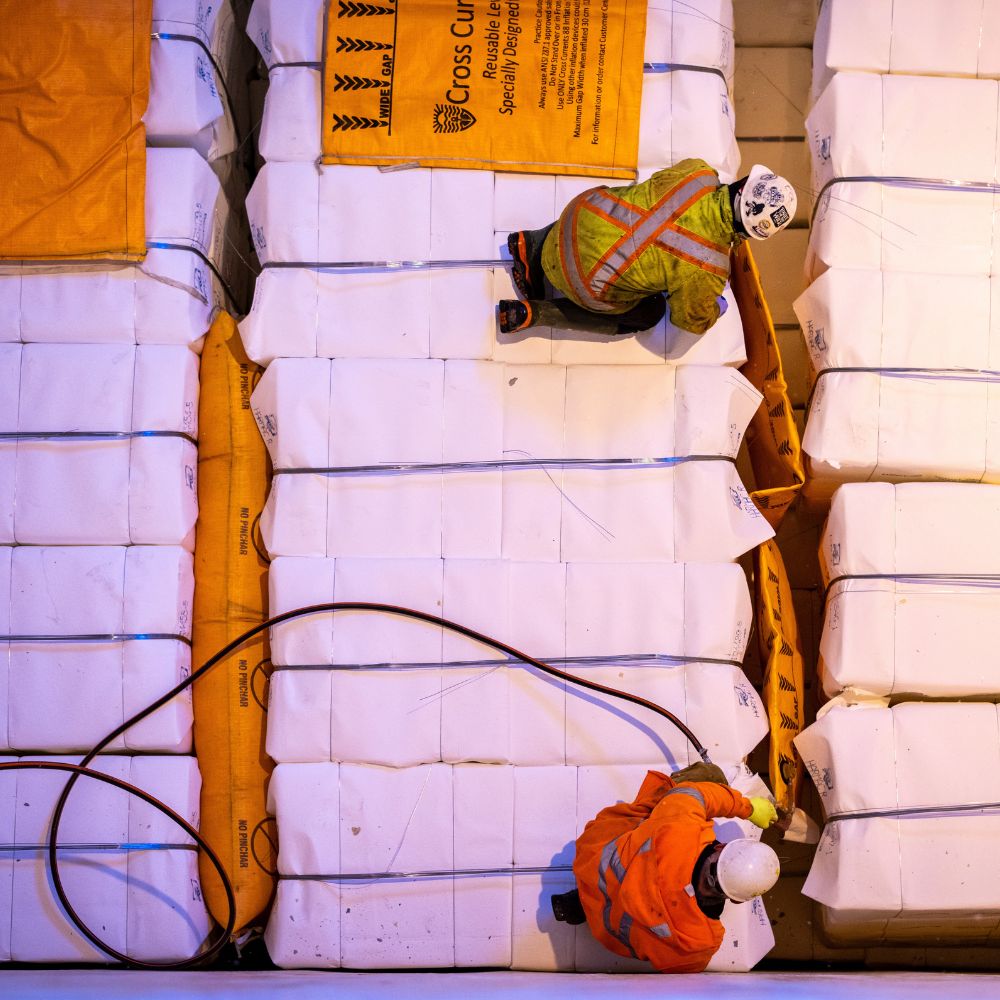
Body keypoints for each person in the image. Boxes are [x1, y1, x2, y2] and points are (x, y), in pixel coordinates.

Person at [499, 159, 796, 337]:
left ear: (744, 183)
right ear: (751, 234)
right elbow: (688, 320)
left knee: (617, 209)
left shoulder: (698, 172)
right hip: (581, 280)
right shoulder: (711, 269)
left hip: (576, 213)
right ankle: (536, 314)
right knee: (650, 312)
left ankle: (532, 242)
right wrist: (715, 308)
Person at [551, 761, 780, 974]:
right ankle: (582, 904)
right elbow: (681, 969)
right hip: (603, 928)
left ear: (721, 848)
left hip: (592, 857)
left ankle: (586, 899)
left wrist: (749, 808)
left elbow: (693, 792)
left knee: (712, 778)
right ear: (738, 899)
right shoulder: (703, 943)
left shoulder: (681, 826)